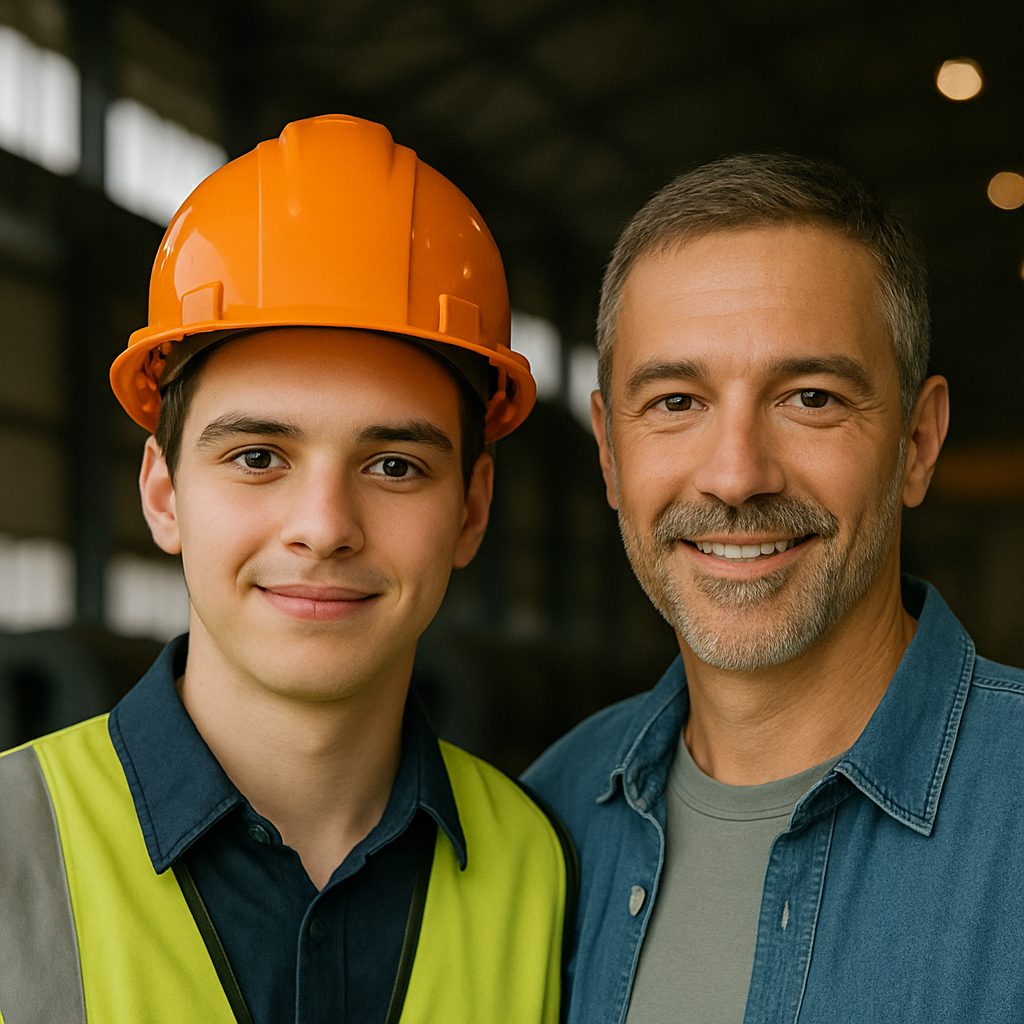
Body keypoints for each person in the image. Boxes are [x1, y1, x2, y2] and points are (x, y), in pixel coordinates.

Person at [0, 114, 575, 1024]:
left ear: (471, 509)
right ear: (164, 494)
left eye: (394, 466)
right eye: (259, 456)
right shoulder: (10, 844)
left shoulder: (537, 869)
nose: (324, 528)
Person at [524, 153, 1024, 1023]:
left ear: (918, 441)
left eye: (810, 397)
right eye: (677, 402)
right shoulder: (544, 822)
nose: (734, 476)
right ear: (609, 452)